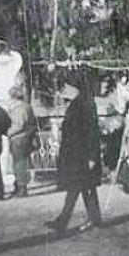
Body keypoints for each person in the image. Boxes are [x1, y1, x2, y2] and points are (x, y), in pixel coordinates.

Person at [46, 75, 102, 234]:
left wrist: (92, 155)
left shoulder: (86, 103)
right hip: (76, 154)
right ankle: (91, 219)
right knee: (82, 187)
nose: (64, 90)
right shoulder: (77, 103)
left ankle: (65, 221)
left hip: (82, 154)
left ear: (75, 88)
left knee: (79, 187)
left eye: (66, 87)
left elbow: (92, 130)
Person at [8, 86, 38, 197]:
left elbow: (19, 124)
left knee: (19, 164)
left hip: (19, 138)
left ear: (14, 97)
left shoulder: (19, 108)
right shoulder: (27, 106)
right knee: (21, 163)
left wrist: (8, 132)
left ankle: (21, 187)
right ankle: (19, 185)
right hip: (26, 137)